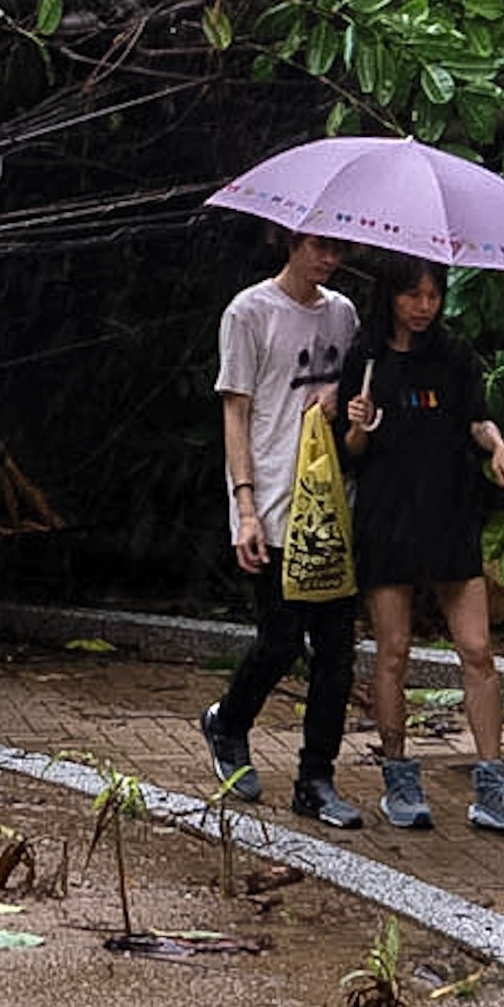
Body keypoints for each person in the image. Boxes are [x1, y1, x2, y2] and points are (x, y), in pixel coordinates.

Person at [340, 253, 504, 834]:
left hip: (449, 515)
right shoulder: (366, 357)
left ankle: (494, 784)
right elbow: (351, 452)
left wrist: (496, 445)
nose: (424, 307)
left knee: (477, 650)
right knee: (393, 652)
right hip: (387, 517)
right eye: (412, 296)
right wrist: (357, 422)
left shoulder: (454, 356)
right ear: (392, 297)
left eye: (432, 295)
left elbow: (476, 418)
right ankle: (399, 777)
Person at [200, 230, 366, 829]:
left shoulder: (343, 315)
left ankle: (315, 778)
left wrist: (346, 403)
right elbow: (236, 411)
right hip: (272, 501)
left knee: (338, 656)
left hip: (328, 506)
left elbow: (351, 398)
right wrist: (244, 506)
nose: (328, 260)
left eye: (337, 251)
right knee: (280, 640)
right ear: (290, 243)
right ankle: (228, 721)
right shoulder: (249, 312)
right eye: (318, 247)